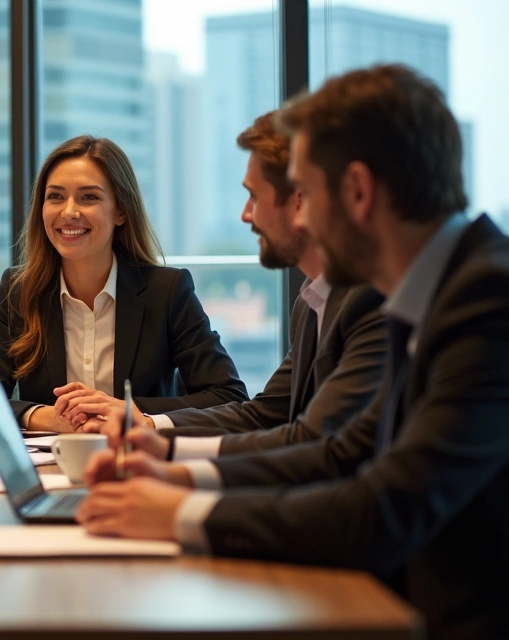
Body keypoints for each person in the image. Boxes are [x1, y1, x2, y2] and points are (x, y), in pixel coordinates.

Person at [75, 64, 509, 639]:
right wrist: (179, 479)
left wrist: (179, 511)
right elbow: (346, 449)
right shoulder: (434, 291)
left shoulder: (485, 301)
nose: (301, 216)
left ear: (356, 191)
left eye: (309, 195)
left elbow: (384, 508)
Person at [74, 112, 385, 461]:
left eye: (253, 196)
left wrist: (181, 476)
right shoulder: (311, 301)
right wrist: (151, 428)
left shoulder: (367, 301)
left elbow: (314, 443)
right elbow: (264, 414)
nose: (245, 215)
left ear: (299, 199)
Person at [0, 135, 248, 433]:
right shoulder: (18, 292)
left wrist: (129, 411)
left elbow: (229, 397)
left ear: (121, 211)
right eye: (55, 196)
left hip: (140, 465)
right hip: (47, 467)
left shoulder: (167, 291)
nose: (69, 212)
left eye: (89, 197)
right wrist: (46, 417)